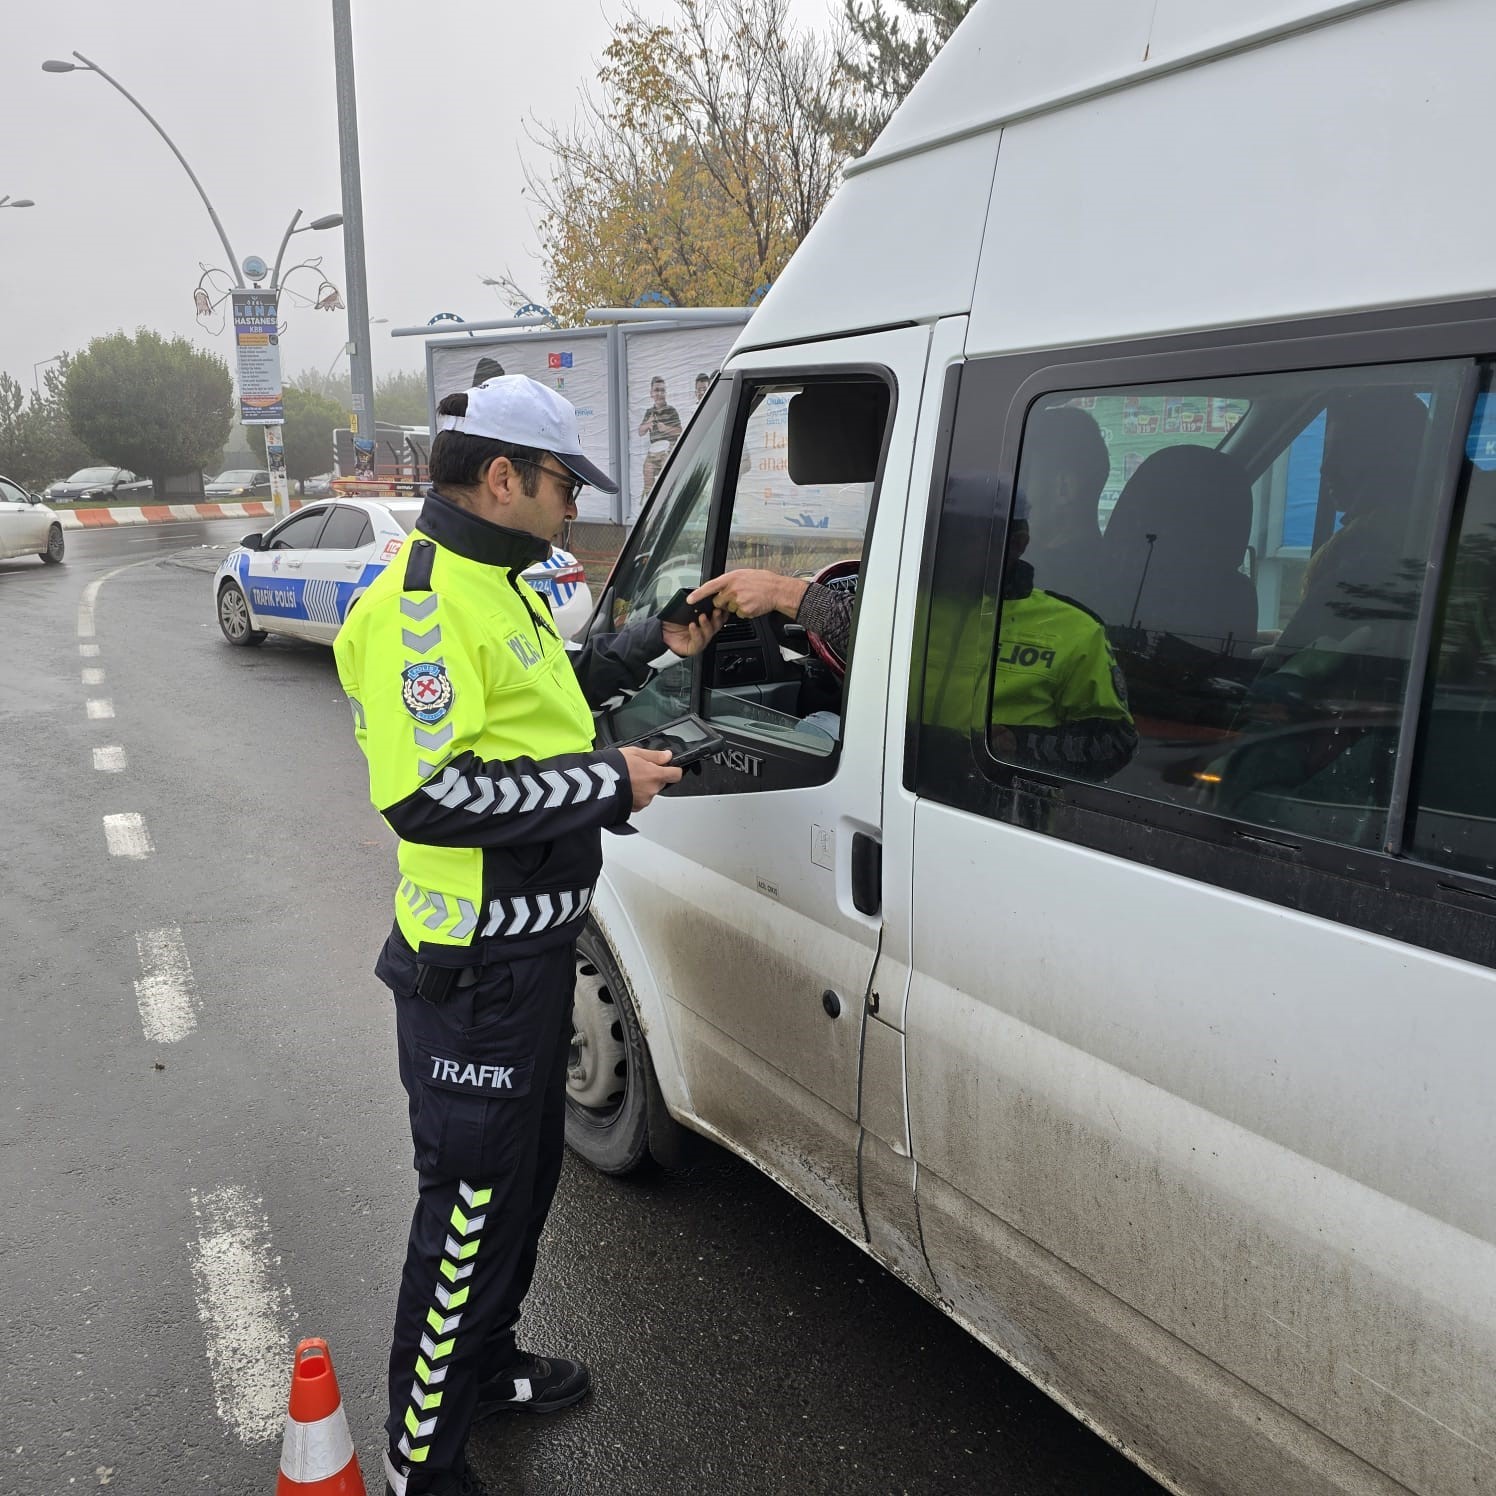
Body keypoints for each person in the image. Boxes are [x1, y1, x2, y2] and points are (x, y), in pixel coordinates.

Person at [334, 375, 723, 1496]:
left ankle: (488, 1362)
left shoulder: (502, 580)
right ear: (501, 475)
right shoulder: (418, 603)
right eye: (562, 483)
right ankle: (424, 1457)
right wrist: (607, 779)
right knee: (464, 1207)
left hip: (534, 948)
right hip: (473, 966)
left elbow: (551, 692)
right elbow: (430, 796)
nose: (571, 503)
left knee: (522, 1183)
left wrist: (661, 636)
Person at [692, 494, 1135, 779]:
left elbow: (1114, 744)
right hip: (900, 798)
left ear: (1016, 542)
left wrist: (1017, 745)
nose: (938, 552)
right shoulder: (915, 607)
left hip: (1010, 815)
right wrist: (778, 591)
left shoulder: (1076, 630)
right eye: (935, 536)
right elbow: (859, 628)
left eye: (961, 539)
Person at [637, 376, 682, 495]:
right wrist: (647, 424)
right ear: (651, 393)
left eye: (662, 390)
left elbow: (679, 431)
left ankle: (668, 497)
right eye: (656, 390)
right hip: (653, 453)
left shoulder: (671, 411)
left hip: (668, 450)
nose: (660, 393)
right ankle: (649, 500)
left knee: (667, 473)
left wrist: (665, 428)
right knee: (647, 470)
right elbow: (640, 432)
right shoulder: (649, 412)